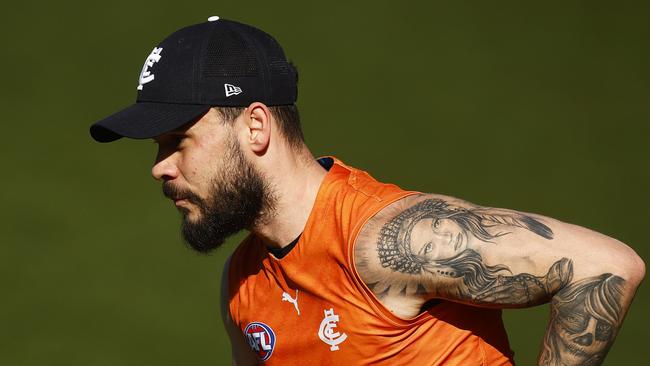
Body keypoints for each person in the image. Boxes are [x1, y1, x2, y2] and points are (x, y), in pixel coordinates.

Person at [90, 17, 645, 365]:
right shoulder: (243, 285)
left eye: (176, 140)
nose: (160, 168)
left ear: (255, 127)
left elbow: (605, 266)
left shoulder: (384, 239)